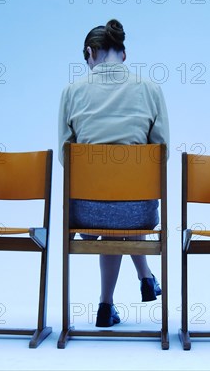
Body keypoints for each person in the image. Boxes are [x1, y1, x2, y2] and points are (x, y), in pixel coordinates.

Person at [58, 19, 170, 328]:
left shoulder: (71, 92)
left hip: (86, 211)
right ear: (123, 54)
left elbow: (65, 158)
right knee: (124, 205)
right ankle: (143, 278)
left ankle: (107, 304)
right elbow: (162, 153)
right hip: (138, 212)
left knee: (111, 207)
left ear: (90, 53)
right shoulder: (150, 89)